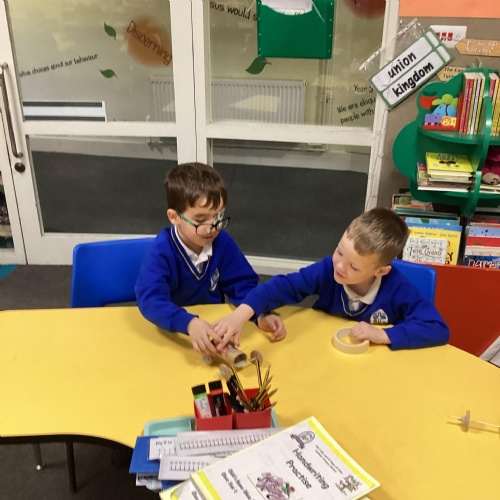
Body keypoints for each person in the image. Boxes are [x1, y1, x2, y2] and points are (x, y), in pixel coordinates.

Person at [212, 207, 450, 351]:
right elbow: (283, 286)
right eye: (339, 251)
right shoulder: (327, 270)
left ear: (380, 271)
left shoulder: (397, 288)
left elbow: (437, 328)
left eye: (353, 266)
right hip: (323, 353)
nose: (339, 266)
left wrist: (383, 335)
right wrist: (240, 316)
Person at [135, 162, 285, 355]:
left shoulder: (222, 241)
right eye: (200, 220)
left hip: (214, 327)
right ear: (174, 217)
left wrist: (259, 314)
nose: (213, 228)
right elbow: (150, 299)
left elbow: (242, 284)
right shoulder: (161, 250)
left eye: (218, 217)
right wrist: (188, 323)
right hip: (174, 334)